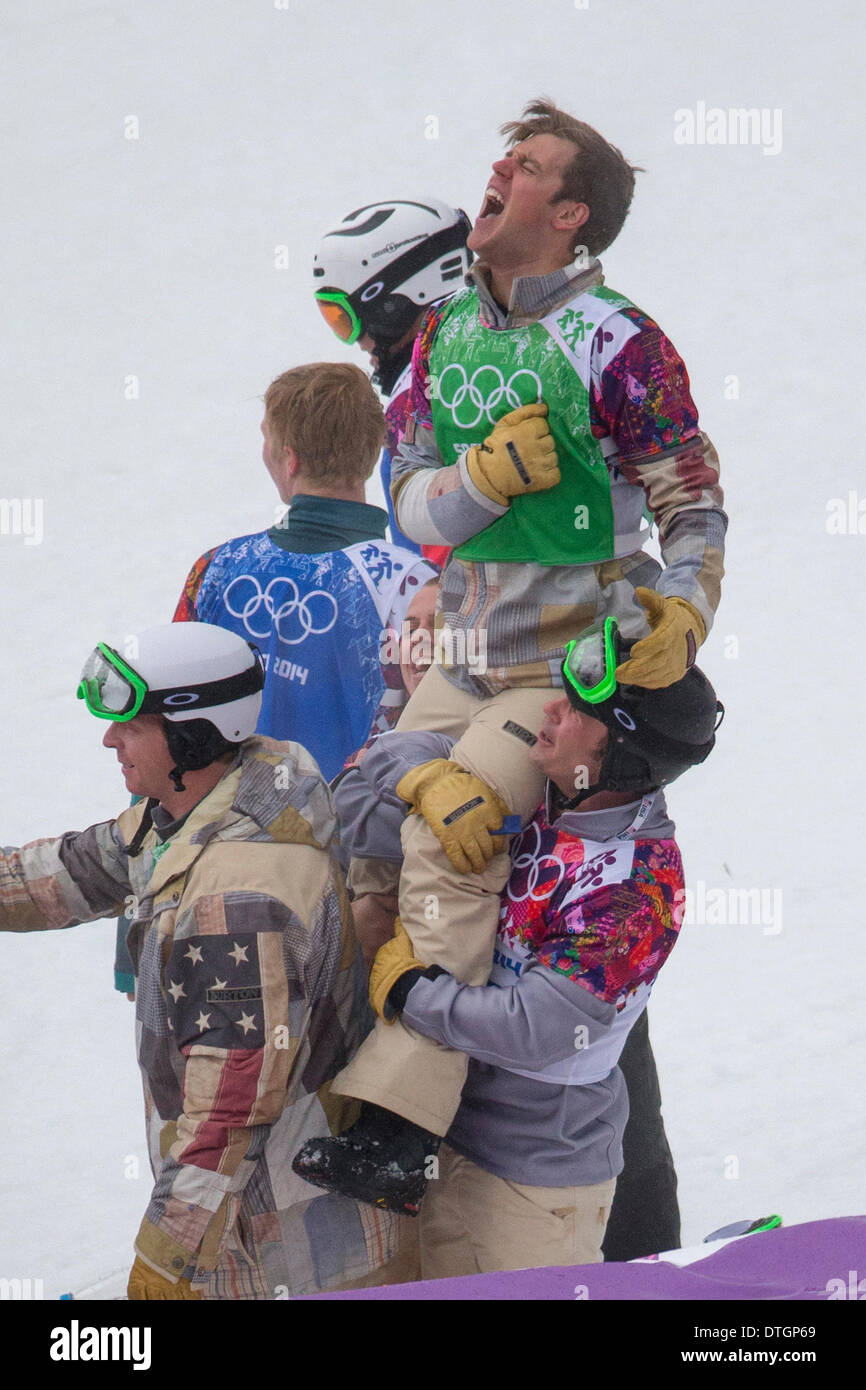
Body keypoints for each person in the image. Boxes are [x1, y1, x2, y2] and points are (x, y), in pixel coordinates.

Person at [294, 98, 727, 1216]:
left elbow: (690, 501)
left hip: (558, 673)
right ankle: (341, 1084)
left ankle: (396, 1124)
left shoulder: (617, 339)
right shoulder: (446, 335)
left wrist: (682, 608)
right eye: (503, 156)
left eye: (525, 165)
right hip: (469, 650)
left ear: (569, 212)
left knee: (456, 831)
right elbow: (409, 503)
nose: (496, 171)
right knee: (360, 811)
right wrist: (477, 484)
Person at [0, 623, 401, 1298]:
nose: (109, 740)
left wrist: (164, 1261)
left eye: (129, 724)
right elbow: (73, 871)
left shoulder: (239, 902)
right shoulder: (237, 792)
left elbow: (229, 1109)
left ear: (191, 733)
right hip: (244, 1215)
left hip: (272, 1247)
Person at [317, 620, 723, 1273]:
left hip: (535, 1184)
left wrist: (410, 990)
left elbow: (537, 1030)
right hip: (447, 1140)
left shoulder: (637, 887)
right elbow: (363, 782)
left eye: (578, 711)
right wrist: (428, 781)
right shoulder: (536, 787)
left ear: (619, 756)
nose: (551, 708)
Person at [173, 362, 436, 781]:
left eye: (267, 440)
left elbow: (163, 721)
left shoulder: (215, 570)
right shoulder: (414, 586)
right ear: (371, 456)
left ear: (289, 460)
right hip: (356, 837)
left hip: (218, 838)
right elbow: (444, 731)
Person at [314, 197, 472, 564]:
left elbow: (433, 568)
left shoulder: (408, 411)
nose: (356, 341)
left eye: (346, 319)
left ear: (394, 304)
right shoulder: (504, 347)